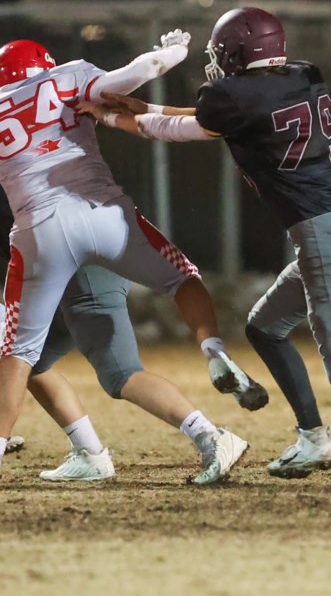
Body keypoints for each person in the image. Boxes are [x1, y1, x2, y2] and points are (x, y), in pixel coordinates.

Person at [82, 6, 331, 486]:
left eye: (224, 55)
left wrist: (107, 117)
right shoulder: (302, 75)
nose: (219, 65)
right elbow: (219, 119)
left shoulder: (231, 95)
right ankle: (313, 437)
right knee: (265, 327)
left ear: (239, 54)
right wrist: (147, 109)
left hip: (324, 237)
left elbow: (185, 130)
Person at [0, 34, 258, 476]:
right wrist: (172, 54)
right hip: (105, 222)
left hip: (43, 233)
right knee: (182, 278)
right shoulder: (70, 77)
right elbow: (134, 76)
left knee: (16, 354)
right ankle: (211, 352)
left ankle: (98, 450)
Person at [0, 189, 250, 484]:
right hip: (77, 257)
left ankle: (212, 437)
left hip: (81, 265)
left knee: (121, 374)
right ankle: (89, 454)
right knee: (30, 364)